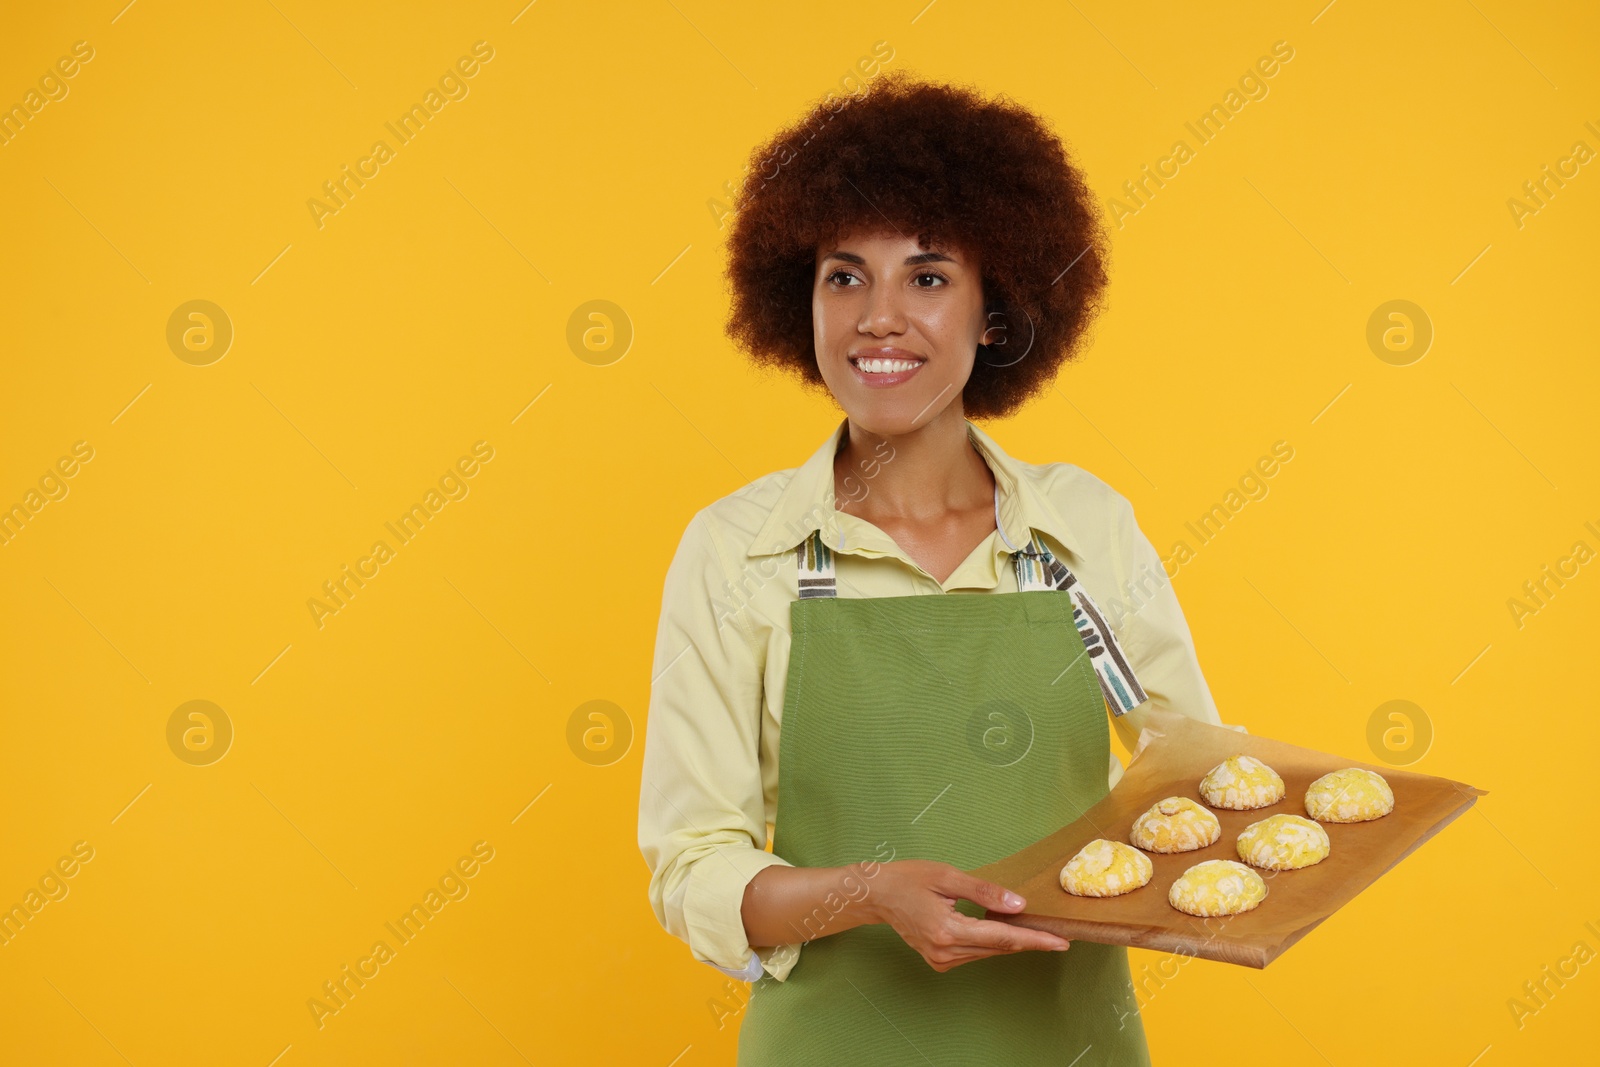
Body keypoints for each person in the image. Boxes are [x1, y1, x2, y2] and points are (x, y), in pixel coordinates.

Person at [638, 72, 1224, 1065]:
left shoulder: (1082, 528)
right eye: (843, 274)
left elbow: (1192, 772)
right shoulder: (738, 550)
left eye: (927, 275)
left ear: (995, 312)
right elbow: (691, 866)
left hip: (1068, 1038)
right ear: (799, 301)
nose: (877, 317)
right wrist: (867, 891)